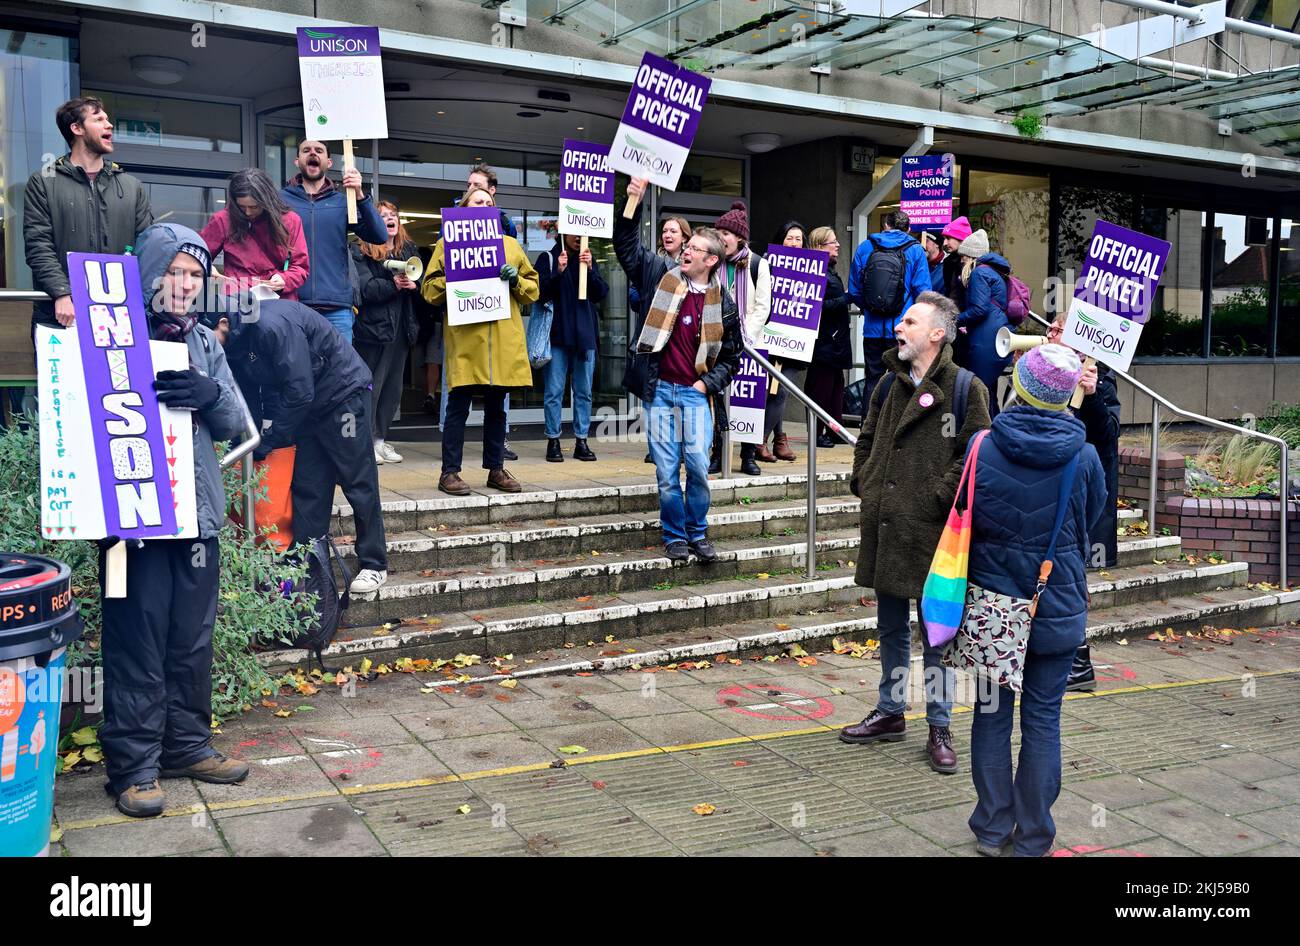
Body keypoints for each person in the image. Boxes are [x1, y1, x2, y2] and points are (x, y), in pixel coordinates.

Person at [100, 223, 247, 818]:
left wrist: (211, 393)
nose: (185, 285)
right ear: (150, 274)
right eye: (175, 273)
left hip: (197, 519)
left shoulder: (205, 342)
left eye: (195, 275)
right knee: (135, 638)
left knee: (190, 640)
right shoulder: (109, 336)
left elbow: (237, 421)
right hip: (128, 526)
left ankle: (186, 747)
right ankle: (133, 768)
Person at [840, 291, 991, 774]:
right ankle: (889, 711)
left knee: (937, 636)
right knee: (888, 627)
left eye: (909, 321)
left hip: (933, 533)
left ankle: (939, 725)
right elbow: (867, 435)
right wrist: (863, 478)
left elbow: (976, 456)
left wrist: (932, 500)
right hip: (886, 524)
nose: (898, 328)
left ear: (936, 333)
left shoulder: (968, 387)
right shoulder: (888, 383)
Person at [965, 344, 1106, 857]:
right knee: (1044, 719)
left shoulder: (982, 446)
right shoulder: (1083, 455)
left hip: (992, 607)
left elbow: (968, 517)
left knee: (991, 714)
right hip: (1055, 602)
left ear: (1017, 387)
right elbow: (1090, 520)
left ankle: (992, 828)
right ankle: (1035, 836)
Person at [205, 293, 389, 595]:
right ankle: (307, 566)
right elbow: (250, 396)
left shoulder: (270, 327)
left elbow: (300, 390)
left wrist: (273, 437)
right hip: (309, 409)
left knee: (358, 481)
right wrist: (251, 440)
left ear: (223, 323)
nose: (206, 346)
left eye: (207, 336)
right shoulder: (237, 344)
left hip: (343, 395)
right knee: (308, 487)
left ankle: (374, 563)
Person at [614, 177, 742, 562]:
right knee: (667, 472)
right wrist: (632, 200)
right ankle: (674, 537)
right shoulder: (659, 276)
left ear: (711, 261)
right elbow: (626, 248)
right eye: (687, 246)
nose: (687, 251)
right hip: (660, 391)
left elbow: (732, 357)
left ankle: (697, 533)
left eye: (696, 249)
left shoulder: (726, 303)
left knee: (699, 467)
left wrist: (707, 385)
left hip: (694, 393)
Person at [422, 185, 538, 496]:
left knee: (497, 408)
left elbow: (533, 288)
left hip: (500, 341)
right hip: (466, 341)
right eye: (478, 201)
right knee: (458, 407)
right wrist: (454, 279)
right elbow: (429, 290)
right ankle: (449, 472)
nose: (484, 205)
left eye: (489, 202)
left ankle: (496, 469)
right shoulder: (447, 245)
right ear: (465, 209)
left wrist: (516, 279)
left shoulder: (511, 246)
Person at [24, 96, 153, 331]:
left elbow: (148, 247)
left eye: (107, 119)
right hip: (61, 314)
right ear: (77, 128)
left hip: (119, 315)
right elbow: (38, 246)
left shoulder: (132, 186)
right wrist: (61, 293)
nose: (109, 124)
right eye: (99, 119)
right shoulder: (43, 182)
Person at [1045, 313, 1121, 691]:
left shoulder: (1100, 380)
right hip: (1049, 492)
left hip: (1078, 497)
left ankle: (1079, 663)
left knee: (1073, 581)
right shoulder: (1042, 369)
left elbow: (1106, 436)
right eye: (1051, 328)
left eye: (1059, 330)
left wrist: (1091, 397)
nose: (1049, 333)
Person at [281, 139, 387, 343]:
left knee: (338, 374)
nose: (313, 153)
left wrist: (359, 194)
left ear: (329, 162)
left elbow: (379, 236)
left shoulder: (343, 201)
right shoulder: (280, 200)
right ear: (297, 160)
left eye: (319, 150)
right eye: (306, 150)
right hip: (293, 303)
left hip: (336, 308)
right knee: (295, 373)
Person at [352, 200, 420, 465]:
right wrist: (394, 285)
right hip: (373, 331)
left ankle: (381, 439)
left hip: (401, 330)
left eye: (394, 215)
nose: (390, 218)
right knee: (372, 387)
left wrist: (416, 286)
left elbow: (421, 284)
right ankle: (366, 441)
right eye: (383, 216)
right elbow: (365, 290)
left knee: (392, 390)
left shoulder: (408, 251)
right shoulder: (361, 251)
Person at [715, 201, 776, 475]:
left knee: (750, 401)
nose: (721, 239)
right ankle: (718, 452)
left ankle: (748, 455)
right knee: (719, 398)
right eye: (718, 234)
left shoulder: (757, 264)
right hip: (717, 343)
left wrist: (745, 337)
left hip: (749, 345)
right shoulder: (713, 262)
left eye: (725, 234)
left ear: (739, 237)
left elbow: (763, 306)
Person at [536, 232, 608, 462]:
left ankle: (582, 440)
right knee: (554, 391)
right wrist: (558, 272)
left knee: (584, 392)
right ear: (564, 232)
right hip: (557, 335)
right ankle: (553, 440)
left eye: (583, 233)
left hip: (584, 336)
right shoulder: (548, 258)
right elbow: (539, 294)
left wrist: (591, 270)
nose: (579, 237)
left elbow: (601, 293)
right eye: (575, 232)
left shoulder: (588, 258)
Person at [847, 209, 932, 406]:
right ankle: (896, 431)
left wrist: (870, 308)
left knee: (872, 380)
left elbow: (854, 290)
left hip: (872, 331)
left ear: (886, 225)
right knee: (902, 379)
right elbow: (923, 291)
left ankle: (868, 431)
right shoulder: (916, 250)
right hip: (903, 330)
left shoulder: (865, 247)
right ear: (908, 229)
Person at [466, 164, 520, 461]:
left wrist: (514, 277)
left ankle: (497, 455)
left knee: (497, 396)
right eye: (470, 186)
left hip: (495, 319)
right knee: (459, 392)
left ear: (493, 193)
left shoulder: (507, 228)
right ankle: (452, 454)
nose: (472, 189)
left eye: (478, 186)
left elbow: (526, 281)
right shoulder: (454, 225)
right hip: (465, 321)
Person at [629, 215, 692, 466]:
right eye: (665, 230)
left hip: (681, 345)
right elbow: (635, 298)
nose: (667, 235)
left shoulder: (691, 265)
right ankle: (658, 449)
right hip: (653, 342)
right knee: (651, 397)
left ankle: (680, 449)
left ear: (685, 238)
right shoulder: (651, 263)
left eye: (673, 231)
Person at [201, 168, 309, 301]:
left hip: (278, 300)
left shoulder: (290, 220)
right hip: (237, 298)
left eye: (254, 207)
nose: (247, 212)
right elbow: (198, 255)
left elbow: (300, 266)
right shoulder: (223, 219)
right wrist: (207, 268)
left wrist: (284, 279)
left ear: (267, 201)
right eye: (242, 207)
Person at [953, 229, 1013, 417]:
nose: (961, 260)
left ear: (972, 256)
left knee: (979, 391)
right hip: (995, 336)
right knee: (988, 392)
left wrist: (955, 319)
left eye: (963, 256)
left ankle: (982, 435)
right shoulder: (993, 272)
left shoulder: (979, 273)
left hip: (985, 340)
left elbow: (980, 309)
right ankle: (993, 432)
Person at [804, 227, 850, 448]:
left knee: (835, 387)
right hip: (823, 342)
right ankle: (817, 431)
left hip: (834, 340)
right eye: (833, 242)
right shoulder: (814, 271)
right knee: (820, 388)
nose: (838, 245)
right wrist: (846, 298)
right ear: (820, 247)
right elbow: (814, 306)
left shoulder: (829, 270)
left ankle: (834, 429)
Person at [939, 216, 973, 299]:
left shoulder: (977, 263)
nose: (945, 243)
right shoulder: (949, 262)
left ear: (960, 238)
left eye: (948, 238)